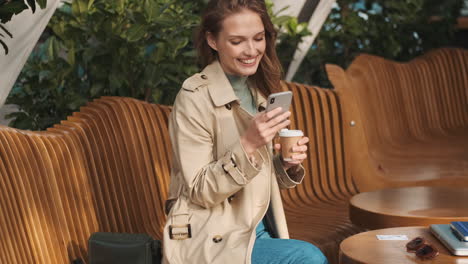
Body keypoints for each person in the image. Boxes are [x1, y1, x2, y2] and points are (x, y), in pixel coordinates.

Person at [162, 0, 328, 263]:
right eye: (237, 41)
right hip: (212, 234)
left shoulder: (259, 89)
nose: (251, 50)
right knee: (306, 257)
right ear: (213, 41)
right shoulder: (194, 97)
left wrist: (284, 163)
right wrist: (249, 143)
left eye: (258, 38)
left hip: (257, 227)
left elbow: (255, 179)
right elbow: (199, 191)